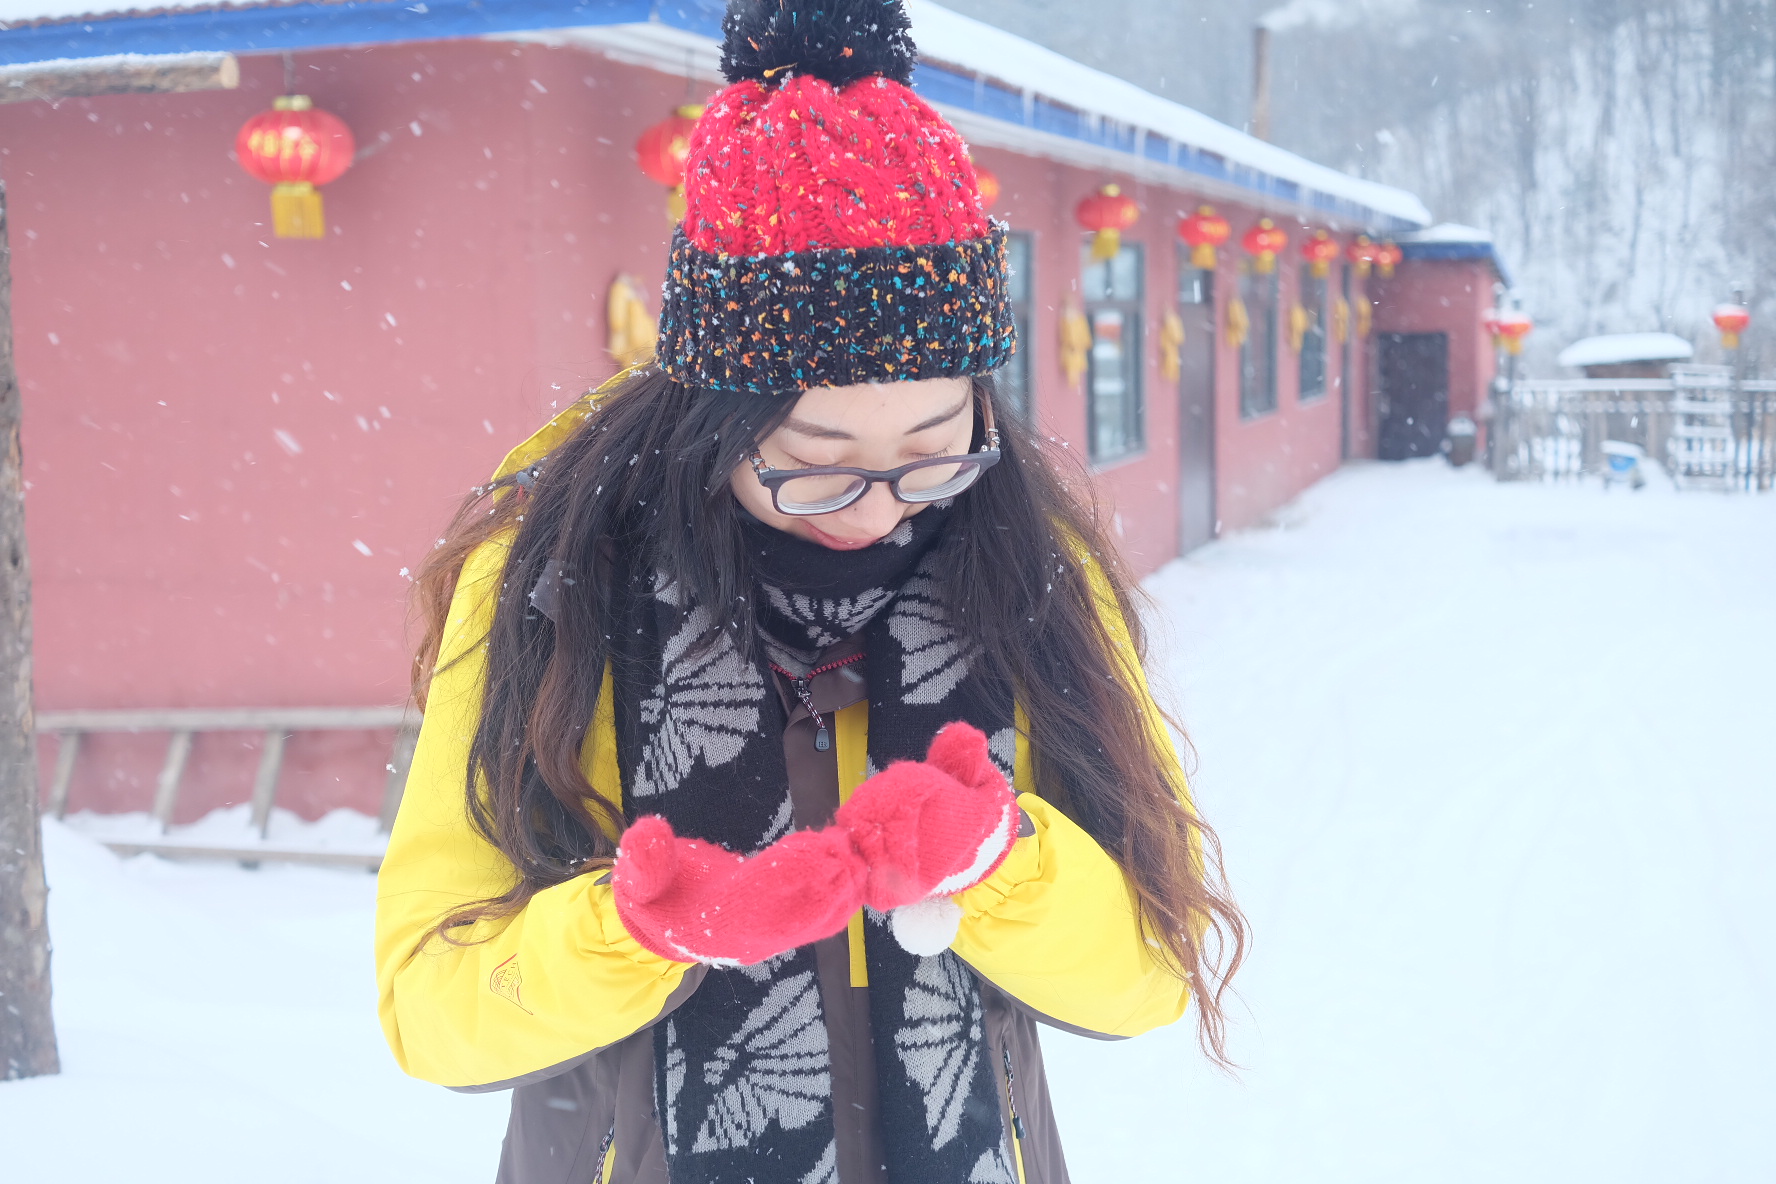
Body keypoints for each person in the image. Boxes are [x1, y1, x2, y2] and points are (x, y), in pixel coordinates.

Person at [374, 2, 1246, 1181]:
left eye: (937, 445)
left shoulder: (1030, 569)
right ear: (709, 421)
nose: (883, 506)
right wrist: (633, 930)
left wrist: (1003, 858)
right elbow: (429, 1005)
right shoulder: (548, 587)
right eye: (818, 463)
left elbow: (1150, 964)